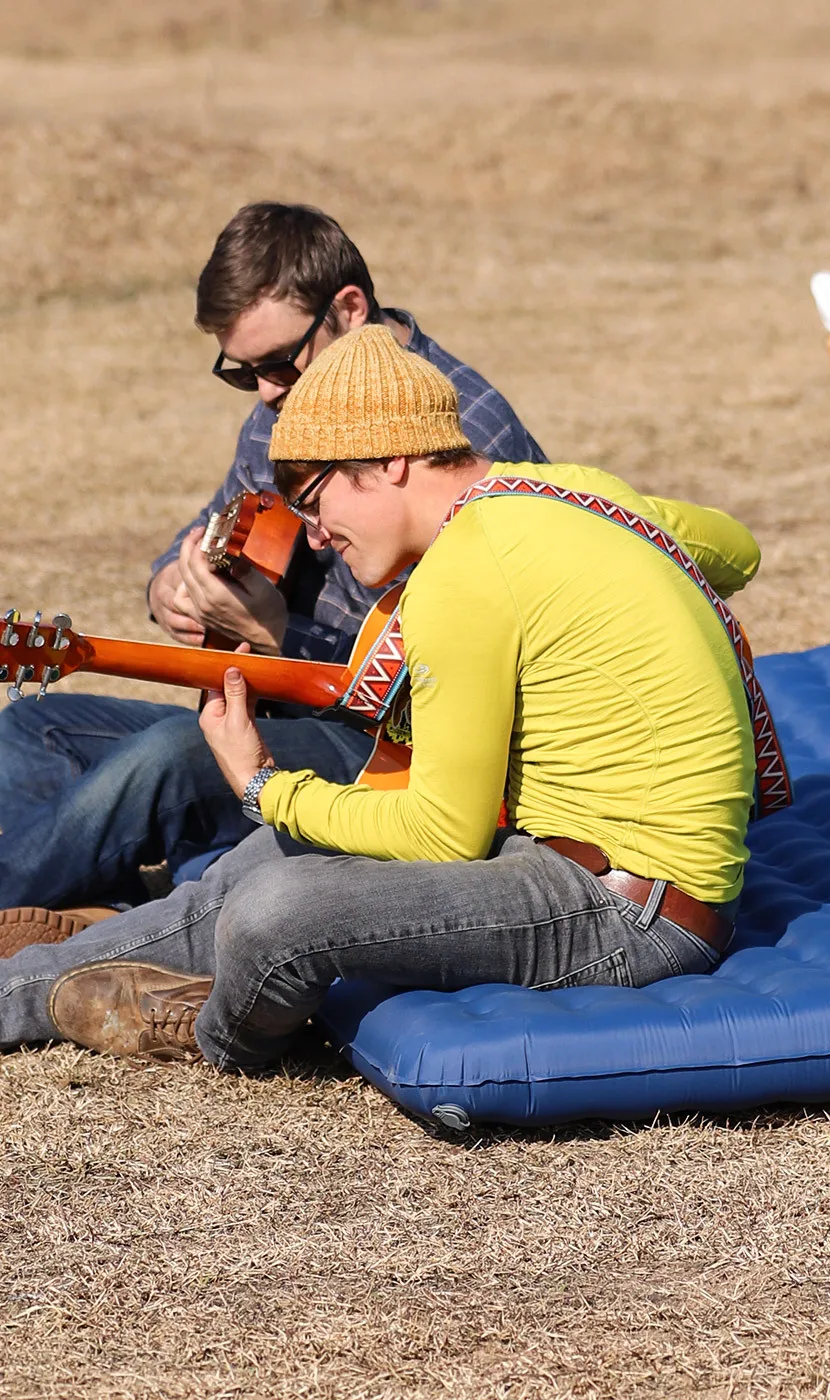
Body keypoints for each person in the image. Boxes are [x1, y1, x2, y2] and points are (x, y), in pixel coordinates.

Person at [0, 325, 772, 1066]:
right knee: (268, 857)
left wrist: (262, 783)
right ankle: (39, 978)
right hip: (568, 858)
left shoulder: (463, 571)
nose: (311, 533)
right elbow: (736, 548)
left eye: (311, 494)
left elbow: (444, 833)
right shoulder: (574, 492)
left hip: (631, 913)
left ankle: (210, 1031)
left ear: (393, 460)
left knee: (280, 910)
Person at [0, 203, 546, 930]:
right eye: (241, 372)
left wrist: (275, 636)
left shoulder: (455, 436)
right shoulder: (294, 398)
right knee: (37, 725)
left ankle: (54, 900)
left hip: (393, 752)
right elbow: (212, 519)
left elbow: (432, 700)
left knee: (165, 755)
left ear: (349, 309)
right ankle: (93, 905)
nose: (264, 391)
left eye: (277, 362)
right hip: (289, 702)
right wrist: (172, 584)